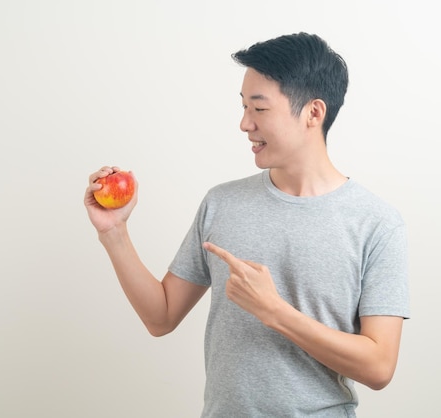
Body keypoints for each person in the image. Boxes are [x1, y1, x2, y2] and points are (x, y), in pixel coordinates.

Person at [84, 32, 410, 417]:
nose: (244, 124)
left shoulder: (377, 223)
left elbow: (379, 366)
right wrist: (114, 233)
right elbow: (161, 317)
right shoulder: (222, 203)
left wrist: (275, 311)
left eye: (259, 109)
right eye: (243, 107)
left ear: (313, 113)